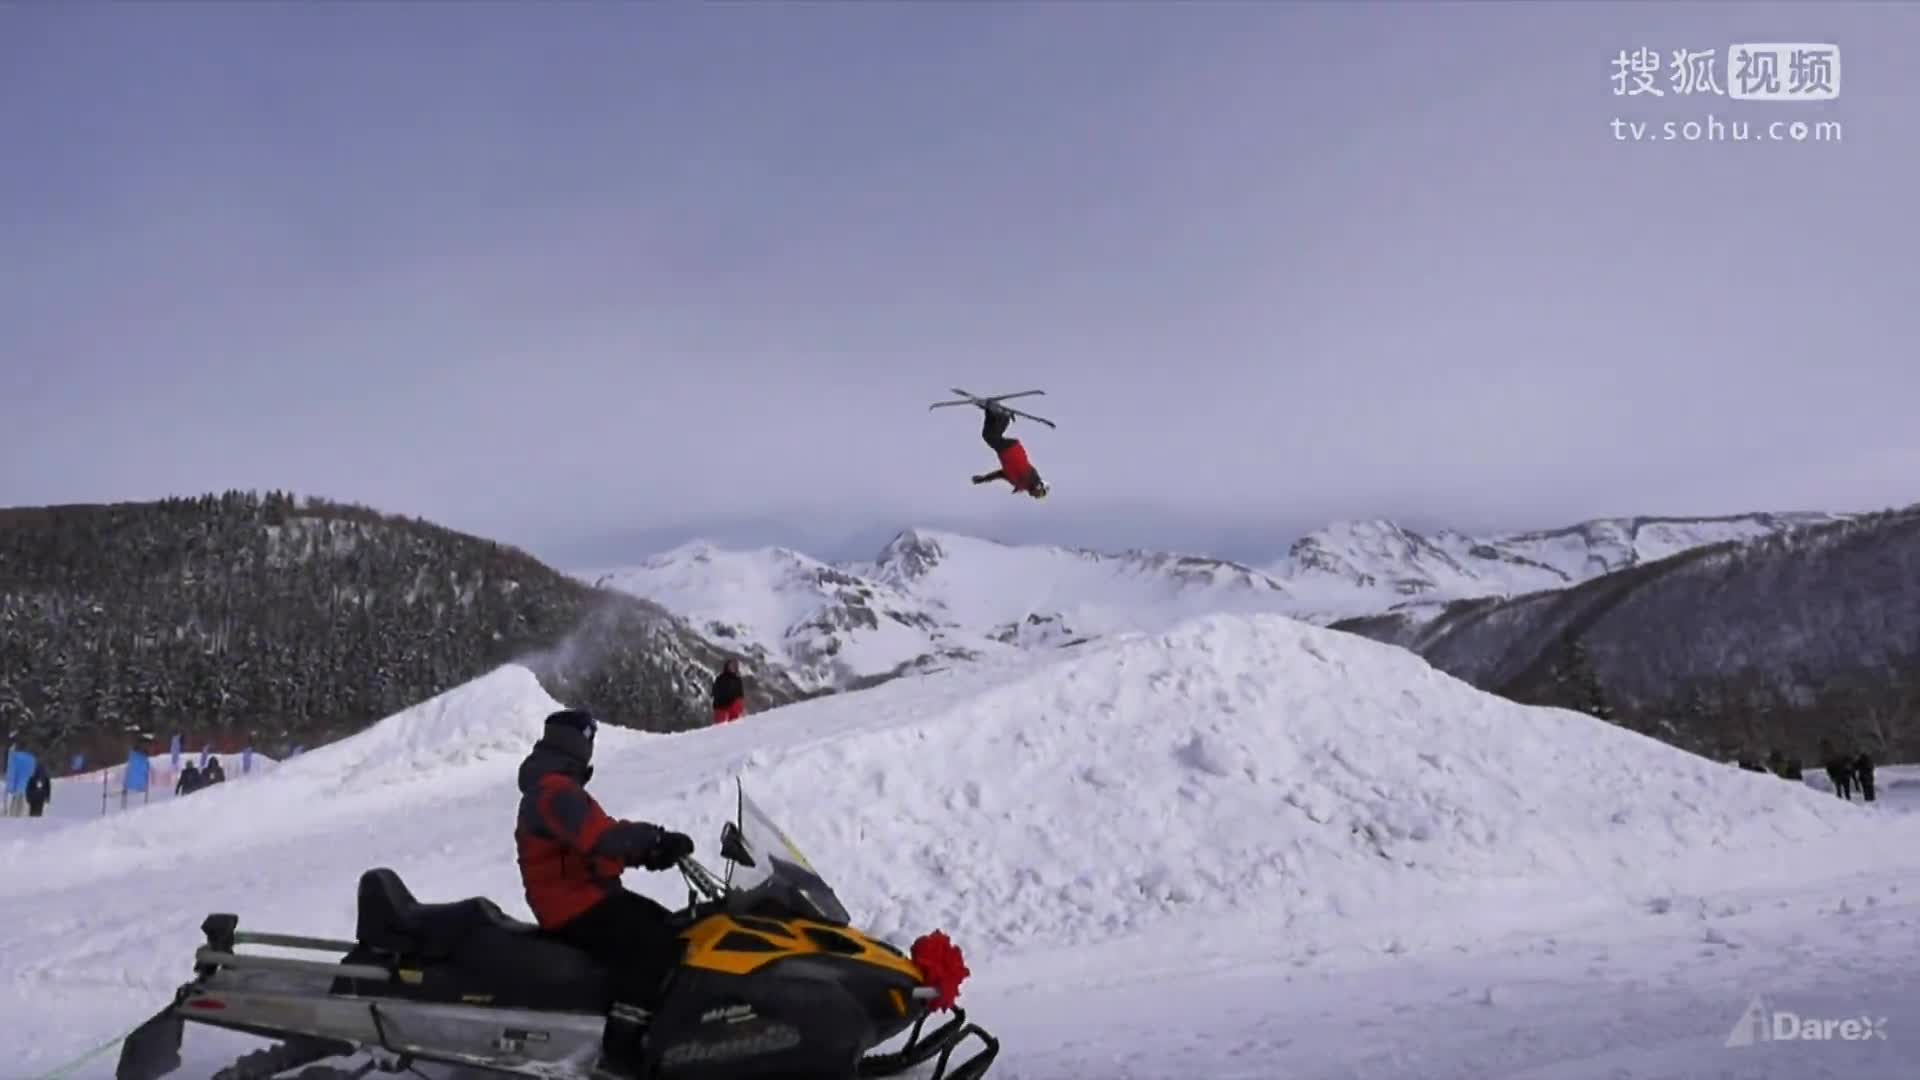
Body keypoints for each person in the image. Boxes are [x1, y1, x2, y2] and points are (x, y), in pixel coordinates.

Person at [515, 709, 695, 1078]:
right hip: (571, 905)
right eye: (588, 740)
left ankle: (665, 1029)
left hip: (587, 896)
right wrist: (652, 841)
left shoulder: (559, 787)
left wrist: (647, 852)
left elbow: (600, 837)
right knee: (654, 947)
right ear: (576, 745)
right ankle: (621, 1051)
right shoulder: (555, 791)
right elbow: (599, 838)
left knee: (675, 927)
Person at [970, 403, 1049, 498]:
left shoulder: (1018, 483)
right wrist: (1036, 485)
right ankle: (1004, 416)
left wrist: (984, 479)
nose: (1035, 496)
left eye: (1038, 497)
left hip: (1006, 452)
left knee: (988, 435)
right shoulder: (1032, 480)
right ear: (1040, 487)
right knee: (991, 437)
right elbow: (1035, 479)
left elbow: (1000, 474)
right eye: (1039, 494)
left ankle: (991, 412)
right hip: (1012, 451)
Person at [711, 659, 745, 724]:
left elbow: (740, 694)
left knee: (734, 723)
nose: (732, 668)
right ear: (726, 667)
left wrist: (741, 707)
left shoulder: (737, 679)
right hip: (721, 704)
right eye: (730, 666)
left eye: (733, 666)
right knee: (719, 726)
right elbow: (715, 691)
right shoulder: (720, 678)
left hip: (732, 704)